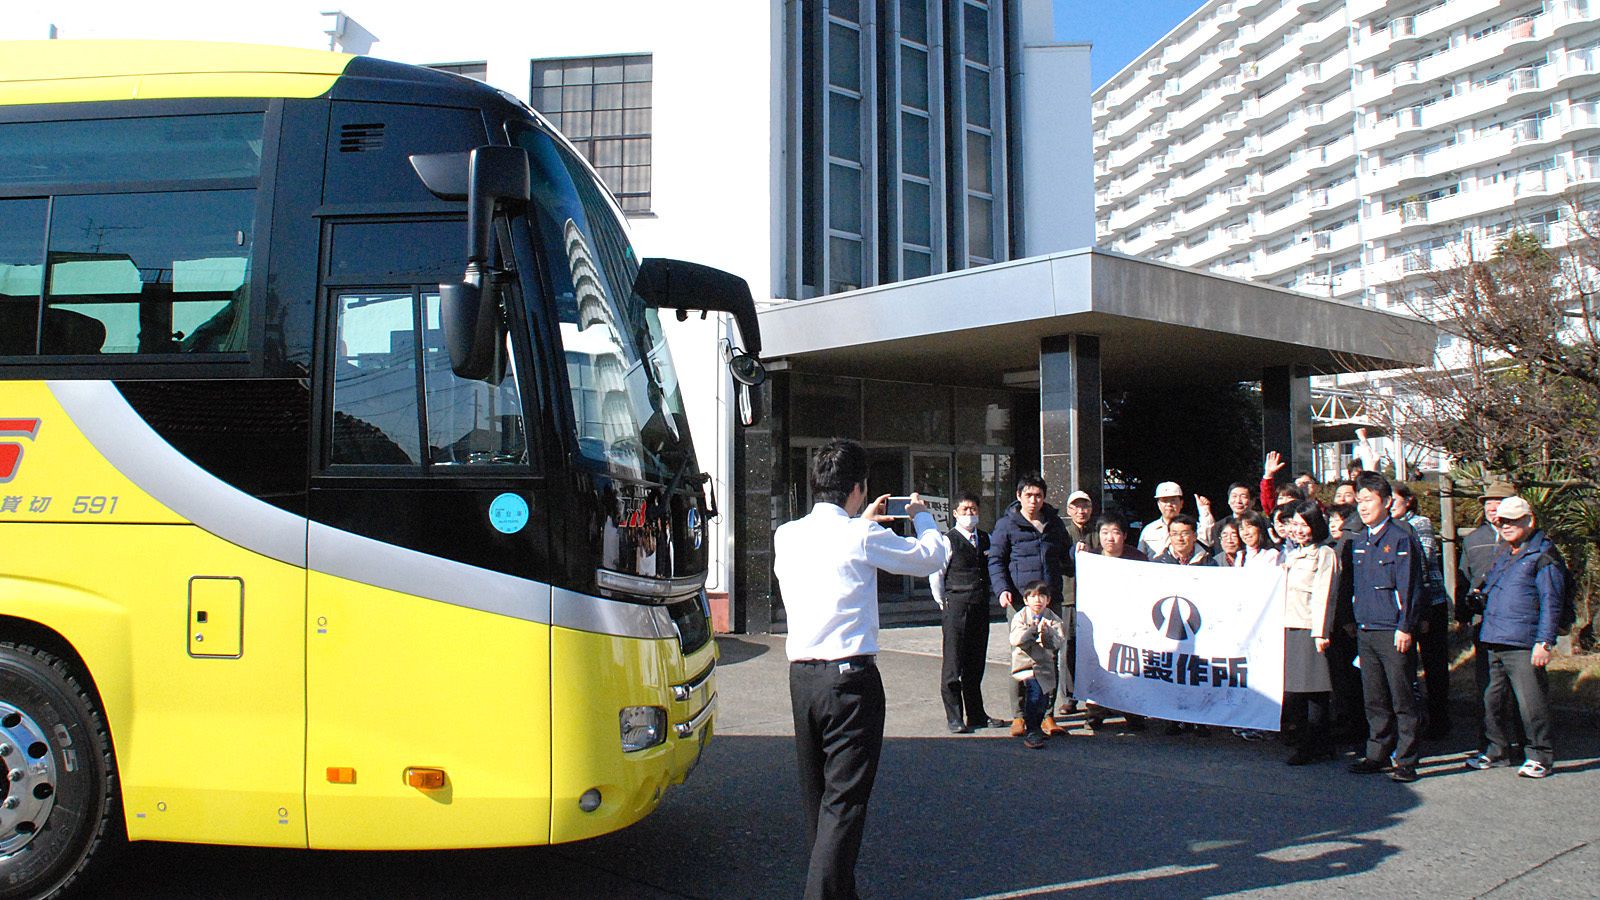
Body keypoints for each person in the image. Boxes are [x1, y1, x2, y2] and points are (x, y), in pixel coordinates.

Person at [774, 438, 947, 899]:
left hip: (802, 679)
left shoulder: (787, 534)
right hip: (849, 682)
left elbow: (835, 555)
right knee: (845, 802)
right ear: (858, 488)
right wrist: (922, 515)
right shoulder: (862, 535)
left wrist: (861, 523)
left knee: (820, 801)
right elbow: (932, 556)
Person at [1463, 496, 1567, 779]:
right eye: (1500, 521)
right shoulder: (1506, 554)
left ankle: (1540, 755)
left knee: (1531, 702)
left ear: (1529, 520)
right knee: (1490, 700)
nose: (1505, 526)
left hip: (1523, 640)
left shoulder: (1543, 555)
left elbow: (1551, 601)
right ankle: (1495, 750)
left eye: (1511, 520)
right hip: (1492, 636)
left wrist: (1544, 642)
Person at [1346, 472, 1428, 784]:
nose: (1363, 507)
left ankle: (1406, 759)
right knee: (1374, 697)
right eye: (1359, 500)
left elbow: (1410, 587)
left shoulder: (1400, 538)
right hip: (1366, 630)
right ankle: (1377, 752)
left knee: (1402, 697)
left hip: (1393, 630)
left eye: (1369, 500)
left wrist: (1405, 626)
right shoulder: (1361, 539)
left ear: (1387, 502)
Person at [989, 475, 1072, 737]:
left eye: (1038, 495)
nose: (1033, 500)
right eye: (1028, 495)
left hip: (1050, 599)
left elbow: (1066, 557)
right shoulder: (1006, 525)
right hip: (1019, 601)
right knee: (1021, 656)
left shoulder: (1055, 523)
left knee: (1050, 655)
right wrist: (1002, 590)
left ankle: (1047, 715)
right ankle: (1019, 716)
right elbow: (996, 561)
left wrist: (1078, 556)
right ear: (1019, 495)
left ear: (1044, 497)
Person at [929, 493, 1007, 734]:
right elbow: (936, 575)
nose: (969, 514)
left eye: (973, 509)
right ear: (955, 513)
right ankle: (954, 717)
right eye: (964, 510)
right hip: (956, 604)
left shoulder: (985, 538)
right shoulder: (948, 540)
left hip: (980, 605)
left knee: (975, 662)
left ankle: (976, 714)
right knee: (954, 663)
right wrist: (943, 601)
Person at [1457, 481, 1523, 757]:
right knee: (1488, 687)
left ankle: (1524, 741)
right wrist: (1463, 615)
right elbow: (1463, 577)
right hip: (1483, 623)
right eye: (1488, 503)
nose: (1492, 508)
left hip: (1516, 623)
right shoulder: (1473, 539)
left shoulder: (1523, 539)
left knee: (1520, 687)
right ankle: (1491, 743)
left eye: (1498, 502)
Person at [1390, 482, 1452, 739]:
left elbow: (1421, 564)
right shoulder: (1388, 529)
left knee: (1434, 665)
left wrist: (1423, 612)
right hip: (1403, 606)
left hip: (1429, 603)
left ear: (1409, 501)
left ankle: (1439, 720)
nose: (1391, 505)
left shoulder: (1420, 523)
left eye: (1395, 500)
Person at [1281, 501, 1339, 765]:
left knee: (1314, 691)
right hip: (1289, 626)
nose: (1299, 530)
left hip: (1310, 628)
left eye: (1304, 525)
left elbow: (1325, 594)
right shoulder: (1293, 554)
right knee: (1297, 690)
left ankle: (1314, 744)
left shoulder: (1324, 553)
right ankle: (1313, 741)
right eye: (1295, 524)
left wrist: (1321, 631)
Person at [1082, 513, 1148, 731]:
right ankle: (1095, 711)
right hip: (1100, 622)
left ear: (1125, 535)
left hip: (1130, 623)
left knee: (1130, 667)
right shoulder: (1091, 559)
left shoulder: (1137, 559)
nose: (1110, 538)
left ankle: (1133, 712)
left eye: (1115, 532)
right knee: (1098, 665)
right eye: (1105, 532)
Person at [1010, 580, 1066, 749]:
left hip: (1044, 666)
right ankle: (1032, 730)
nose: (1037, 600)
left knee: (1043, 699)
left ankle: (1038, 725)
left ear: (1048, 600)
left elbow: (1057, 643)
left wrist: (1047, 633)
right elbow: (1015, 639)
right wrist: (1031, 631)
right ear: (1026, 600)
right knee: (1033, 694)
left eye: (1042, 596)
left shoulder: (1053, 619)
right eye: (1033, 596)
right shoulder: (1019, 616)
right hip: (1025, 665)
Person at [1324, 503, 1364, 743]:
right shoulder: (1330, 547)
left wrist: (1348, 618)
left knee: (1352, 677)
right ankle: (1345, 719)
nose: (1333, 524)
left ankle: (1357, 724)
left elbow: (1347, 584)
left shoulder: (1350, 543)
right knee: (1339, 677)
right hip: (1334, 622)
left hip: (1349, 622)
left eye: (1337, 520)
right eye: (1330, 520)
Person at [1058, 490, 1097, 716]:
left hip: (1094, 598)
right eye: (1076, 507)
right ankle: (1070, 697)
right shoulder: (1063, 533)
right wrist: (1074, 553)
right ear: (1069, 510)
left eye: (1085, 507)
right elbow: (1059, 561)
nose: (1081, 511)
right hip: (1070, 597)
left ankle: (1096, 696)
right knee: (1069, 647)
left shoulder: (1098, 533)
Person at [1139, 482, 1215, 559]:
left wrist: (1204, 510)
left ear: (1181, 503)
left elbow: (1208, 540)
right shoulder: (1148, 530)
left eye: (1173, 500)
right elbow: (1140, 557)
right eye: (1164, 501)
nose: (1169, 504)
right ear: (1158, 504)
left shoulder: (1193, 526)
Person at [1203, 481, 1257, 547]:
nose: (1238, 501)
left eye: (1243, 497)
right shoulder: (1219, 526)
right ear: (1228, 500)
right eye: (1234, 496)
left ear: (1253, 501)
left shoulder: (1262, 523)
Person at [1152, 514, 1217, 567]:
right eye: (1175, 534)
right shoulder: (1159, 562)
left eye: (1184, 533)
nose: (1179, 538)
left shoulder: (1207, 562)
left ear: (1195, 536)